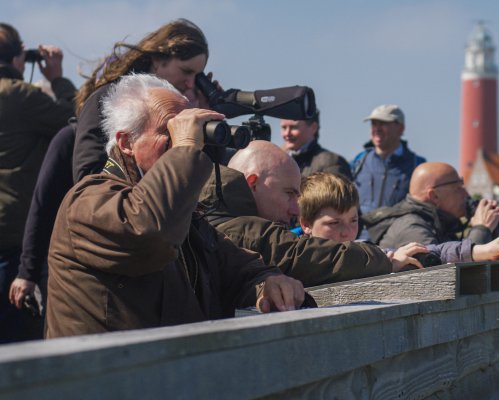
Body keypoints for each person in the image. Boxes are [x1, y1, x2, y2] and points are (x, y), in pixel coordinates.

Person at [45, 74, 303, 338]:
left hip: (166, 371)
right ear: (126, 143)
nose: (185, 141)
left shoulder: (182, 214)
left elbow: (232, 265)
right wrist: (187, 148)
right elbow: (151, 231)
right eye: (169, 131)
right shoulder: (88, 201)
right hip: (104, 375)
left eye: (187, 132)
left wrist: (267, 282)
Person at [198, 140, 397, 287]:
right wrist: (386, 259)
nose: (295, 209)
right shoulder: (236, 228)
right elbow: (297, 255)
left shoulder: (212, 215)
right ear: (252, 183)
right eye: (289, 194)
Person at [0, 22, 76, 343]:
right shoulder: (20, 96)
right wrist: (57, 77)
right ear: (19, 58)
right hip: (13, 238)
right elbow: (77, 119)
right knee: (17, 343)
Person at [73, 18, 214, 183]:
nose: (190, 83)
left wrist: (205, 122)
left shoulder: (184, 108)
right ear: (158, 61)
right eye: (186, 71)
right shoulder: (107, 97)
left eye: (197, 76)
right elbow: (87, 176)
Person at [299, 172, 499, 265]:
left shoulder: (362, 251)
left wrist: (481, 249)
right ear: (305, 225)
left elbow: (430, 252)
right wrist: (480, 230)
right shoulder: (295, 259)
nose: (347, 232)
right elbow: (434, 267)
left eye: (354, 220)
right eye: (334, 223)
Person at [362, 162, 499, 254]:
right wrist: (481, 229)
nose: (466, 194)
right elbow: (448, 275)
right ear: (434, 196)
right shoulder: (411, 227)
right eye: (458, 188)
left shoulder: (438, 222)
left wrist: (495, 229)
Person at [351, 104, 426, 216]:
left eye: (383, 124)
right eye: (374, 124)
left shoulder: (418, 166)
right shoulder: (358, 161)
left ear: (401, 128)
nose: (377, 129)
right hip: (361, 232)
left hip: (398, 232)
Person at [280, 110, 351, 179]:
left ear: (313, 127)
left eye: (293, 127)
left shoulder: (331, 162)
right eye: (284, 128)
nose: (287, 133)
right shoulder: (279, 161)